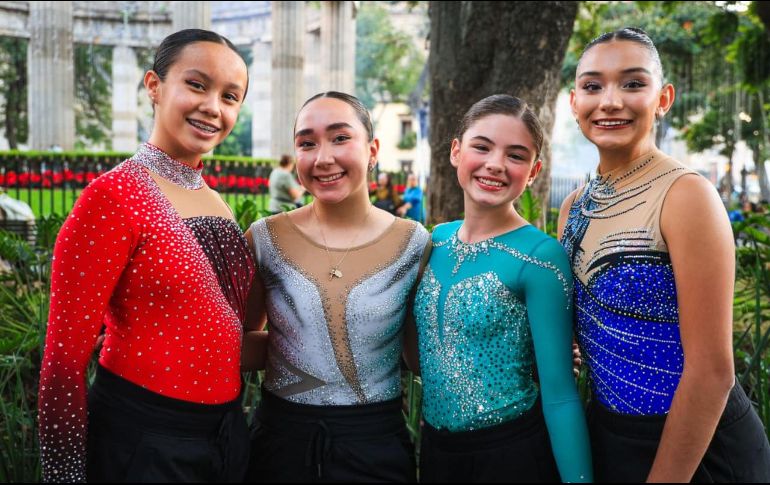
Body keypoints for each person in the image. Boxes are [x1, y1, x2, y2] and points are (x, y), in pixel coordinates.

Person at [38, 29, 254, 482]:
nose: (213, 107)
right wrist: (64, 476)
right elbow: (62, 365)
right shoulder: (112, 196)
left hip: (226, 433)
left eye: (230, 96)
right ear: (154, 86)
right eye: (196, 85)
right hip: (142, 438)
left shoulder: (215, 201)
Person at [559, 27, 770, 482]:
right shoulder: (573, 207)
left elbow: (712, 373)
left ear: (664, 98)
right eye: (592, 86)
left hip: (697, 448)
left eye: (633, 84)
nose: (610, 100)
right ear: (573, 101)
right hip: (611, 437)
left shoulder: (686, 196)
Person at [242, 91, 430, 482]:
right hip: (280, 445)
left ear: (372, 149)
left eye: (340, 138)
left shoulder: (413, 242)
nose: (323, 158)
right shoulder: (264, 238)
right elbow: (239, 341)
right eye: (307, 143)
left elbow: (417, 354)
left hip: (374, 446)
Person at [411, 94, 592, 483]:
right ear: (456, 151)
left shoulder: (541, 256)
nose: (495, 164)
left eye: (516, 155)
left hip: (511, 454)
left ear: (534, 170)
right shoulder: (434, 241)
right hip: (437, 453)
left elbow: (560, 394)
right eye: (482, 147)